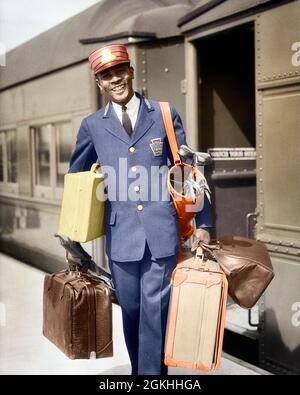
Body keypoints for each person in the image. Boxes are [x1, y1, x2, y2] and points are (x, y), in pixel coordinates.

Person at [68, 43, 212, 375]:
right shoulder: (92, 126)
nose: (115, 79)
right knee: (132, 311)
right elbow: (76, 182)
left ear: (131, 71)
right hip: (121, 238)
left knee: (155, 311)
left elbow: (186, 169)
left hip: (161, 232)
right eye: (106, 75)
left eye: (119, 71)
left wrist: (202, 220)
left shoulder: (163, 113)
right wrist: (73, 240)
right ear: (98, 83)